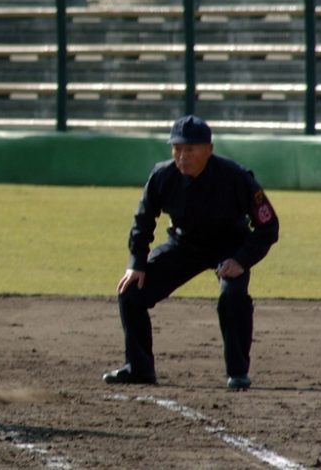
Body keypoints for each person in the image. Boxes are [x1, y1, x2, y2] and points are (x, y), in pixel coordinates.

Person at [102, 115, 279, 390]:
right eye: (177, 148)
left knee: (233, 296)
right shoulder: (162, 175)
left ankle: (238, 373)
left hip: (229, 246)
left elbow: (268, 226)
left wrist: (241, 260)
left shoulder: (236, 177)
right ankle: (138, 368)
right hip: (184, 245)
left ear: (209, 149)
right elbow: (143, 221)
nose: (182, 156)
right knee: (131, 291)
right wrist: (136, 263)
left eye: (190, 149)